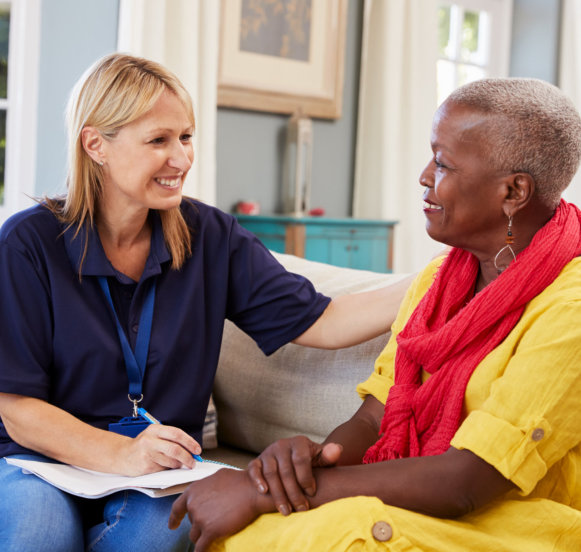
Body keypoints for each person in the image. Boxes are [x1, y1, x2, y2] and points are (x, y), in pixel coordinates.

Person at [0, 53, 410, 552]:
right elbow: (18, 409)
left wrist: (440, 275)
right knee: (39, 534)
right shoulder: (27, 244)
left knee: (156, 538)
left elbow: (325, 320)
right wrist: (120, 453)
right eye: (159, 140)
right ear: (95, 145)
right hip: (40, 459)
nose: (182, 159)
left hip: (158, 473)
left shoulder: (210, 236)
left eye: (186, 137)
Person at [168, 77, 581, 551]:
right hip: (436, 503)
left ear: (513, 192)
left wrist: (257, 491)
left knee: (334, 536)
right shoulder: (440, 280)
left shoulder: (571, 310)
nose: (425, 176)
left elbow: (466, 482)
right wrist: (310, 463)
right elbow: (372, 421)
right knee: (250, 531)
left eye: (443, 163)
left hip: (521, 523)